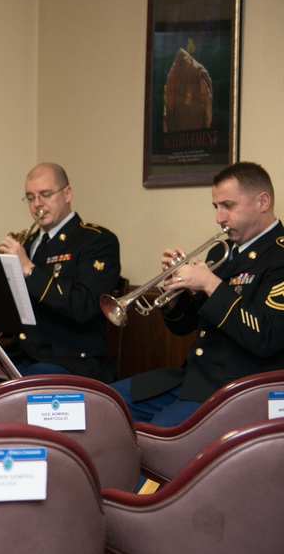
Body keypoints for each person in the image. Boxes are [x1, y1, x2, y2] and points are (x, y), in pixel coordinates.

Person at [110, 162, 284, 426]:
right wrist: (175, 295)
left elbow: (266, 336)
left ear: (262, 202)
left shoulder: (279, 255)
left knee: (154, 439)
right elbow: (187, 326)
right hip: (193, 378)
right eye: (216, 207)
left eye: (228, 206)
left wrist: (211, 284)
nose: (219, 218)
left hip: (237, 389)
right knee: (104, 403)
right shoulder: (220, 252)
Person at [0, 163, 121, 382]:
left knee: (10, 389)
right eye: (30, 197)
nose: (37, 205)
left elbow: (84, 307)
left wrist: (28, 268)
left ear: (67, 193)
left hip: (71, 359)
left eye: (45, 195)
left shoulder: (96, 240)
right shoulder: (29, 242)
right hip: (26, 352)